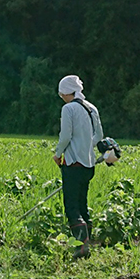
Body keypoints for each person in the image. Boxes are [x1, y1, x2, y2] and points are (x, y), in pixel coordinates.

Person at [53, 74, 103, 259]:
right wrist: (86, 147)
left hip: (73, 163)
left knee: (72, 205)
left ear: (66, 92)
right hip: (89, 164)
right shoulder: (92, 109)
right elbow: (98, 136)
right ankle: (88, 241)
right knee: (83, 203)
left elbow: (65, 135)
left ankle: (81, 247)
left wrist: (58, 154)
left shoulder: (69, 109)